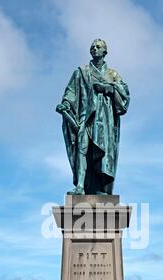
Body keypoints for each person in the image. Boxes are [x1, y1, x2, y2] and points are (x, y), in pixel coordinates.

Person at [56, 39, 130, 195]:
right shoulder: (81, 72)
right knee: (82, 148)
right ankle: (80, 187)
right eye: (92, 47)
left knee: (102, 154)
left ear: (105, 52)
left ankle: (100, 188)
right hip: (86, 117)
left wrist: (108, 88)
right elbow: (71, 92)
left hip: (105, 120)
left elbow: (124, 96)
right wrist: (66, 104)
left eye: (98, 47)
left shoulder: (113, 74)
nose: (95, 49)